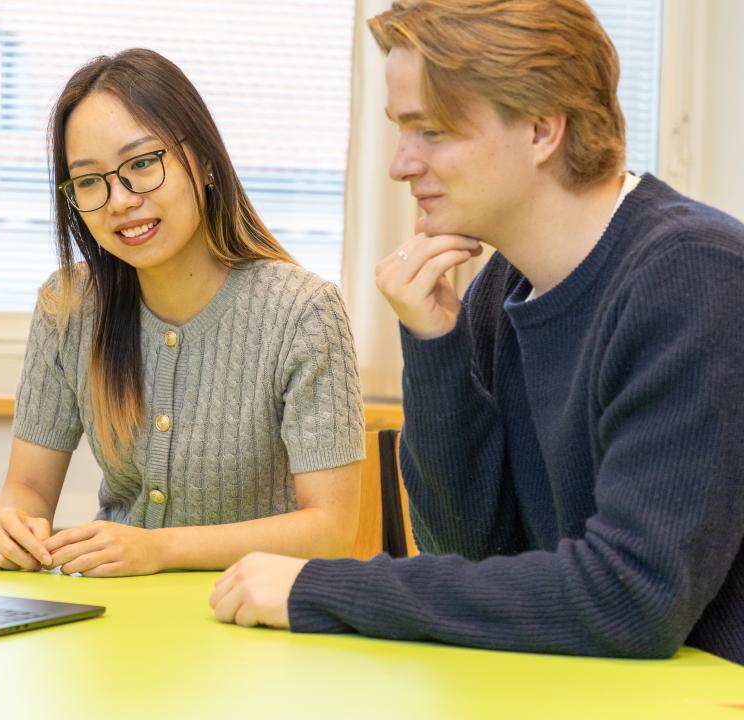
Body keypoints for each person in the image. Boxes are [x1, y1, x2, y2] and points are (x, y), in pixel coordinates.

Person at [211, 0, 744, 663]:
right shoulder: (504, 286)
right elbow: (467, 549)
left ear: (543, 129)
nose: (400, 165)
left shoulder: (696, 275)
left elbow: (632, 598)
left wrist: (326, 589)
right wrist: (435, 349)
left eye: (430, 131)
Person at [0, 49, 365, 578]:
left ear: (201, 160)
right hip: (112, 614)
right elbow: (28, 489)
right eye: (89, 181)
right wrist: (9, 525)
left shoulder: (303, 312)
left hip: (256, 620)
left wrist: (160, 549)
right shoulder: (68, 308)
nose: (119, 201)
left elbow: (332, 530)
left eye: (141, 165)